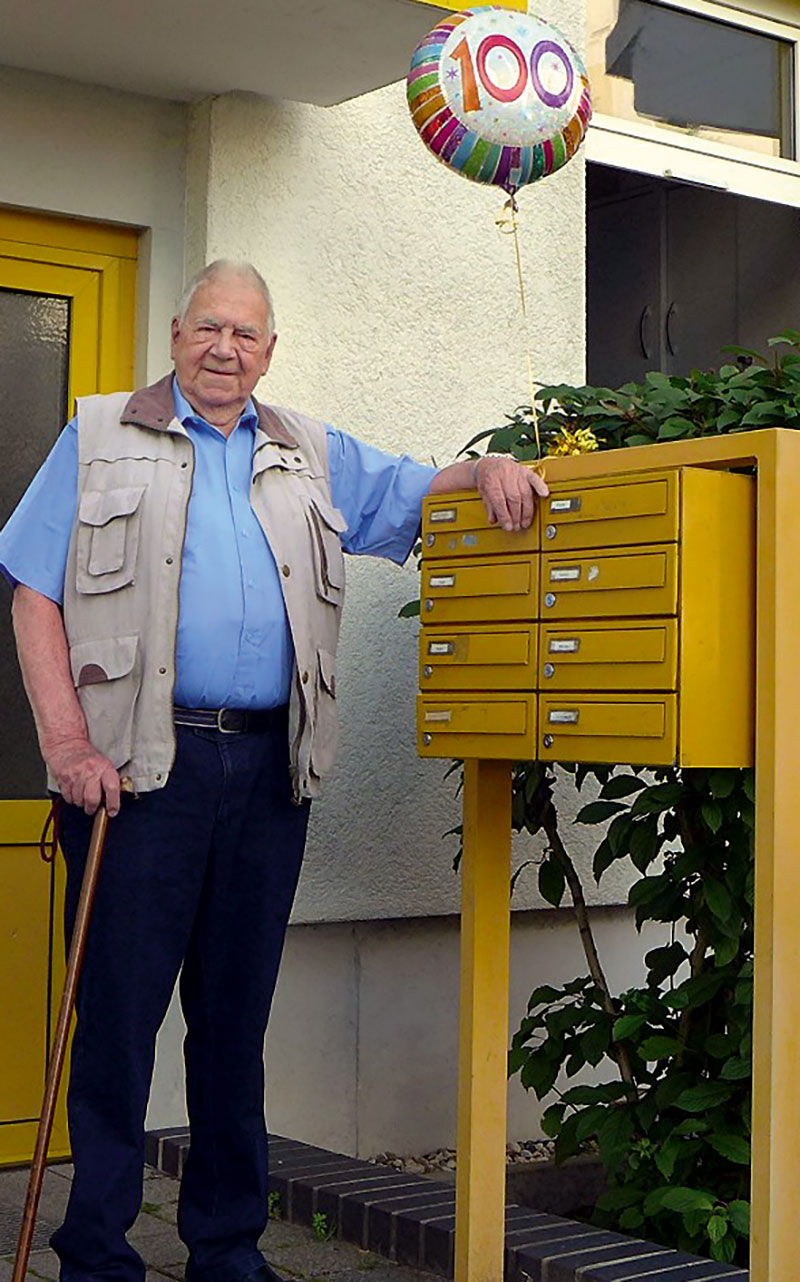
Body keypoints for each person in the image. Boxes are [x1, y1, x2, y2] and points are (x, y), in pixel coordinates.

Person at [0, 260, 548, 1282]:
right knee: (117, 1024)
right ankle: (99, 1253)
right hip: (134, 776)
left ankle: (225, 1250)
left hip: (261, 775)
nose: (224, 349)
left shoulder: (310, 452)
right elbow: (33, 592)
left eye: (245, 334)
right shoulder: (100, 433)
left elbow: (417, 490)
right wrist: (68, 745)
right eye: (208, 327)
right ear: (174, 334)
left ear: (269, 350)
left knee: (233, 1024)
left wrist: (486, 470)